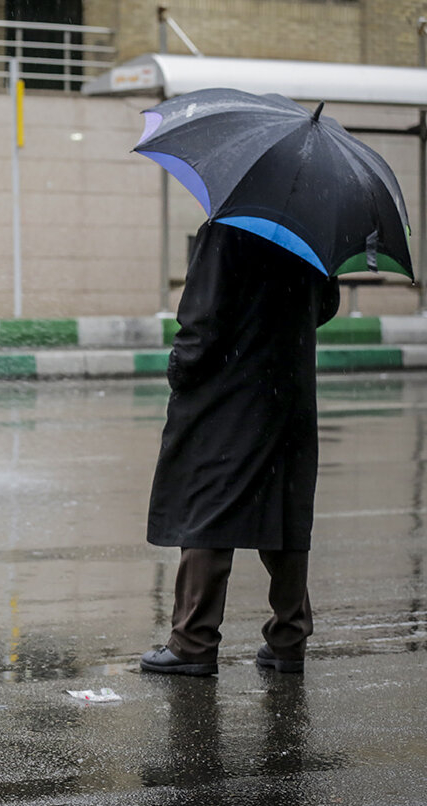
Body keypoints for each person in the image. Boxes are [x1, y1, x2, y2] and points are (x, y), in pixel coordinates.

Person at [141, 221, 339, 677]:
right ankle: (289, 639)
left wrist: (180, 371)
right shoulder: (310, 231)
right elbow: (325, 305)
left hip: (229, 392)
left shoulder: (226, 229)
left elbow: (202, 319)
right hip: (288, 387)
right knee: (284, 507)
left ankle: (192, 641)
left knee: (209, 503)